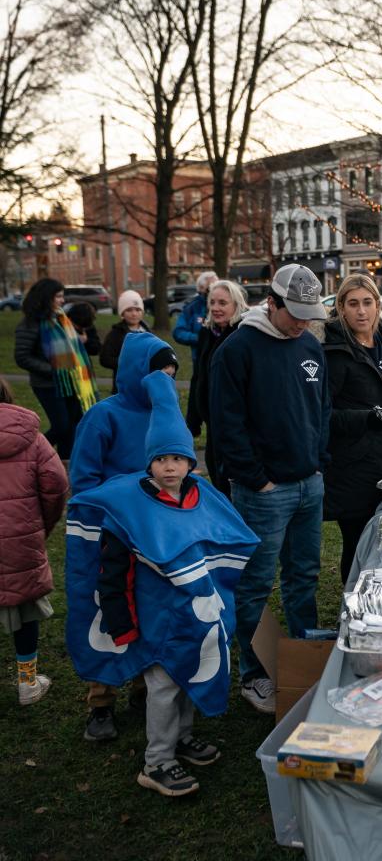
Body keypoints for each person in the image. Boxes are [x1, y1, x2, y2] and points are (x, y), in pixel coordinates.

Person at [65, 371, 259, 797]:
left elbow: (227, 542)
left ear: (191, 462)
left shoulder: (203, 496)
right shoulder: (128, 507)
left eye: (178, 459)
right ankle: (158, 762)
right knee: (164, 689)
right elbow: (111, 575)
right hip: (152, 622)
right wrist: (120, 622)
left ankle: (182, 738)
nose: (169, 467)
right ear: (148, 462)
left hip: (194, 619)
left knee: (188, 681)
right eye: (160, 460)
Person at [209, 263, 330, 714]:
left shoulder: (310, 346)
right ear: (271, 303)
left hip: (309, 484)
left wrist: (319, 463)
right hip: (264, 491)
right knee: (255, 583)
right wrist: (256, 477)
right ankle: (254, 674)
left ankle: (303, 658)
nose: (302, 321)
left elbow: (321, 409)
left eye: (308, 313)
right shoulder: (238, 349)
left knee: (304, 577)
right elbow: (226, 424)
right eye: (294, 312)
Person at [69, 332, 180, 741]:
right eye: (159, 375)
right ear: (138, 372)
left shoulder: (164, 414)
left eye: (171, 376)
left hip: (152, 537)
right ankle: (101, 700)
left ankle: (139, 685)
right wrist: (119, 509)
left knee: (145, 611)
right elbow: (83, 480)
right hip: (109, 535)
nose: (165, 384)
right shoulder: (103, 416)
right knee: (105, 612)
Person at [324, 274, 382, 582]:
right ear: (341, 308)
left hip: (381, 461)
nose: (361, 311)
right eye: (353, 304)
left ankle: (368, 601)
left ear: (377, 305)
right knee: (357, 541)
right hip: (348, 464)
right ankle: (351, 607)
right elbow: (325, 415)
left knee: (375, 540)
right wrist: (371, 417)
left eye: (367, 303)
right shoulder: (335, 351)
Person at [0, 376, 69, 705]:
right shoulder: (32, 438)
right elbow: (56, 485)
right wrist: (41, 526)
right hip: (20, 540)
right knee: (24, 610)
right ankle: (28, 682)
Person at [14, 278, 98, 460]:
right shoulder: (30, 324)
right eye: (58, 296)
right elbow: (22, 357)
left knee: (73, 425)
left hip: (71, 381)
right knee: (61, 426)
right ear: (46, 298)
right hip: (48, 384)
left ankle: (64, 463)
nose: (62, 300)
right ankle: (28, 456)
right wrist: (53, 370)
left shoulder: (61, 319)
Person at [188, 279, 246, 494]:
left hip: (236, 424)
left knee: (233, 480)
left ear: (236, 304)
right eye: (212, 302)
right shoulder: (207, 333)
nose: (215, 308)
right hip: (213, 423)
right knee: (217, 477)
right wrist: (193, 420)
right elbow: (198, 376)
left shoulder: (243, 334)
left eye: (222, 303)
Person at [175, 271, 219, 435]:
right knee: (200, 394)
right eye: (210, 287)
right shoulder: (192, 307)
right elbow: (178, 332)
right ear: (201, 288)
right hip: (199, 361)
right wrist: (200, 338)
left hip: (220, 360)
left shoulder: (222, 304)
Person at [100, 290, 151, 394]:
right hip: (124, 386)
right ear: (122, 313)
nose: (134, 314)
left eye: (137, 310)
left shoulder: (148, 332)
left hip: (145, 385)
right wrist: (126, 363)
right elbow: (105, 359)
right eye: (129, 310)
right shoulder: (115, 334)